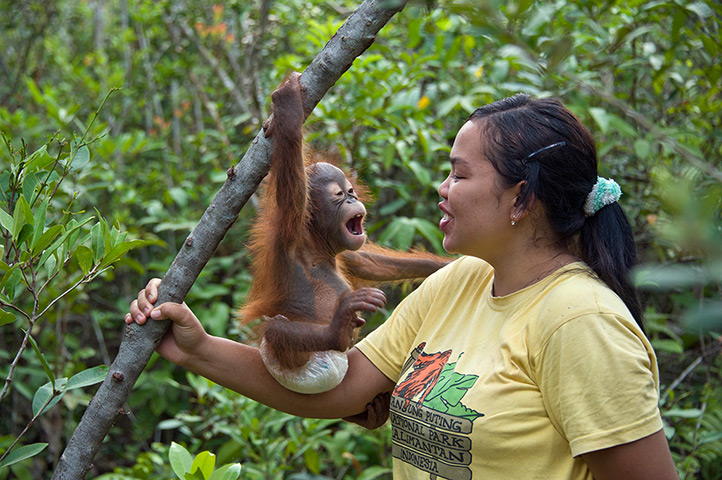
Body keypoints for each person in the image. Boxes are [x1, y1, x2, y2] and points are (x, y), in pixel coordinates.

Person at [127, 94, 678, 479]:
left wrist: (290, 133)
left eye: (460, 175)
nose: (441, 188)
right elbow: (342, 390)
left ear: (522, 199)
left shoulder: (581, 323)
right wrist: (196, 349)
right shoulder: (459, 283)